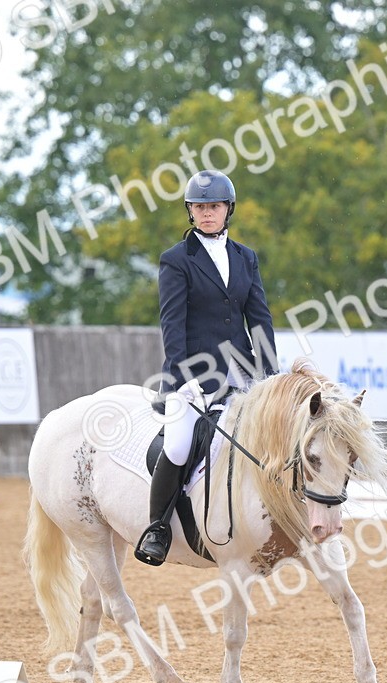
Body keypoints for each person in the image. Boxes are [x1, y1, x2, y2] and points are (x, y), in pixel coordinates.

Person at [134, 169, 278, 567]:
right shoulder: (176, 260)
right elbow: (172, 326)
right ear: (190, 212)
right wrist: (185, 380)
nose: (207, 213)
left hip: (243, 372)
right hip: (192, 373)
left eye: (214, 206)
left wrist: (270, 376)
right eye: (199, 207)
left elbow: (260, 319)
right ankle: (157, 528)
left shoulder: (246, 258)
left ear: (227, 209)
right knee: (179, 444)